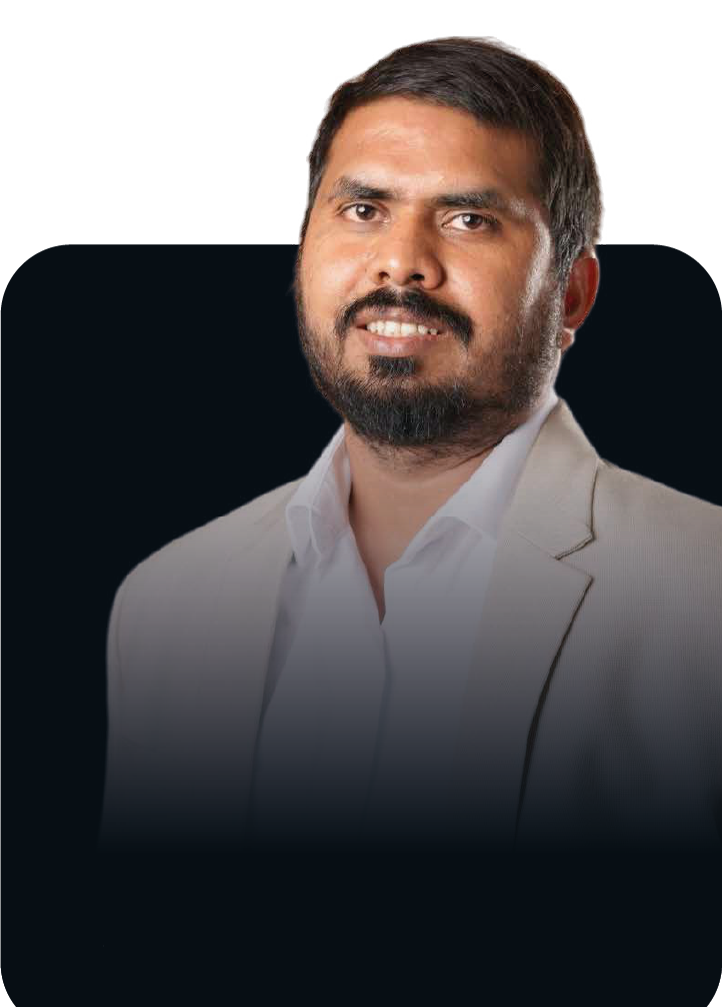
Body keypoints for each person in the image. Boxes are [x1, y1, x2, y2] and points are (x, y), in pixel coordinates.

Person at [99, 35, 721, 854]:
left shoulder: (706, 594)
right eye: (364, 210)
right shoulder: (164, 608)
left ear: (570, 294)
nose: (401, 263)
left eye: (469, 219)